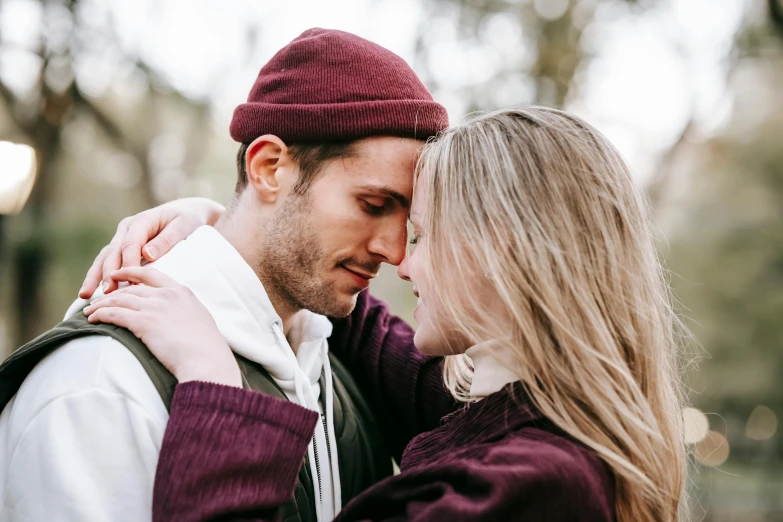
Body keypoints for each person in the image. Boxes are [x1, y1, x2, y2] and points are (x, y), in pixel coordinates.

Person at [85, 107, 688, 522]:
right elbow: (353, 317)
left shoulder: (523, 485)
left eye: (421, 236)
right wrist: (229, 222)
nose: (401, 261)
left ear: (500, 249)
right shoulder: (527, 414)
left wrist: (213, 380)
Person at [0, 28, 451, 522]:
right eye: (373, 204)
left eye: (404, 219)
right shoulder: (101, 384)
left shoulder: (340, 362)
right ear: (269, 167)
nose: (392, 250)